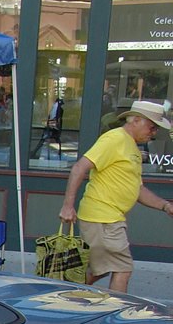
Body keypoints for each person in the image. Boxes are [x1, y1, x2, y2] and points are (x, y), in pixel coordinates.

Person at [59, 100, 173, 294]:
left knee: (100, 269)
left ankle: (66, 294)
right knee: (122, 268)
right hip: (103, 217)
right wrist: (68, 206)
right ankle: (116, 314)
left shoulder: (132, 147)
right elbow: (80, 167)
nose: (153, 133)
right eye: (151, 127)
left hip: (109, 218)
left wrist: (165, 206)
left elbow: (137, 190)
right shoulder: (114, 139)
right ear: (136, 120)